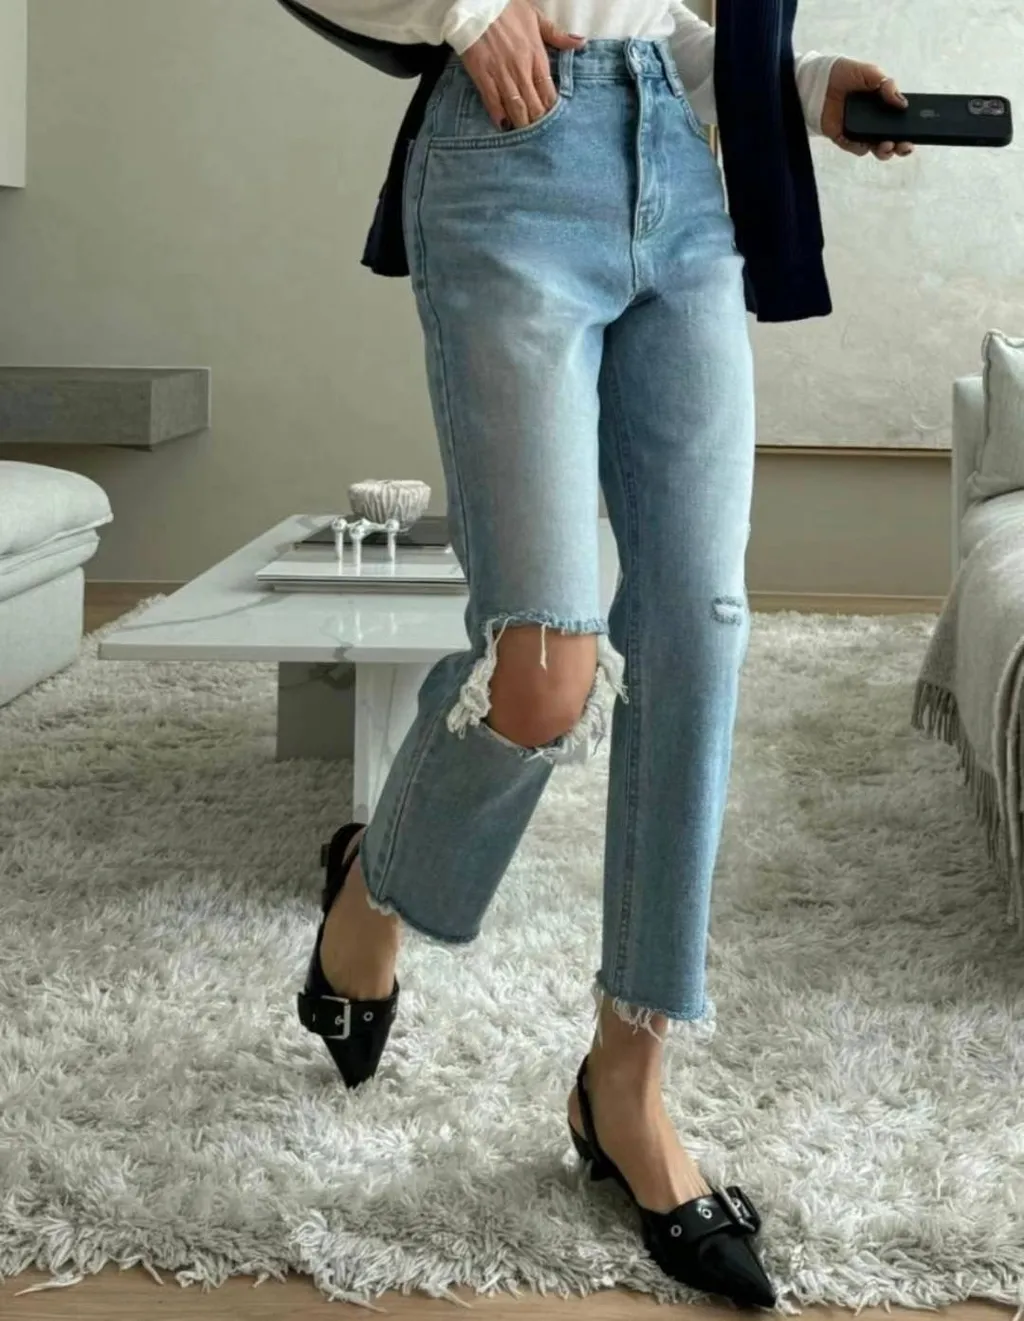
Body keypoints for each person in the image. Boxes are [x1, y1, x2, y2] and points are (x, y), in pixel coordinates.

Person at [293, 0, 912, 1305]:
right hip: (509, 172)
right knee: (542, 673)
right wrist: (461, 13)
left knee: (698, 636)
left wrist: (803, 84)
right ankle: (370, 888)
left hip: (685, 182)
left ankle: (625, 1089)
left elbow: (666, 26)